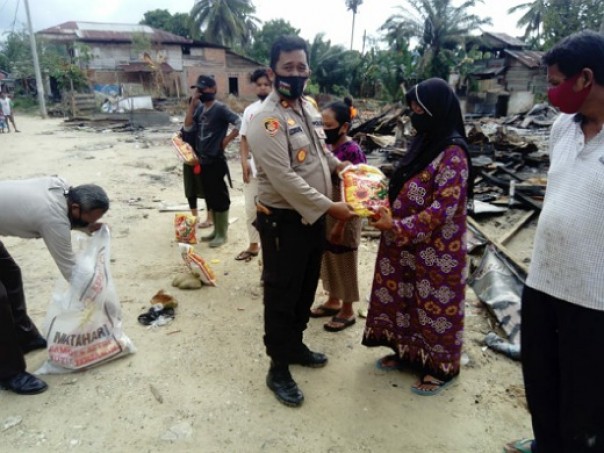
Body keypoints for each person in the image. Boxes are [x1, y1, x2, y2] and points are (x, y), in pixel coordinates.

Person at [505, 30, 604, 453]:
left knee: (585, 404)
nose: (549, 93)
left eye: (554, 81)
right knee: (541, 384)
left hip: (594, 299)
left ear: (585, 78)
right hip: (542, 283)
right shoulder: (563, 128)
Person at [247, 35, 356, 407]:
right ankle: (277, 367)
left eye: (301, 67)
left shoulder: (308, 107)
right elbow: (284, 179)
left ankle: (294, 346)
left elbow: (321, 150)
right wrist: (331, 207)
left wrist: (340, 166)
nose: (296, 73)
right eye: (288, 67)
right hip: (283, 223)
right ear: (273, 70)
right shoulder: (267, 119)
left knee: (306, 288)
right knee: (281, 293)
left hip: (312, 221)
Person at [362, 78, 471, 396]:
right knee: (405, 301)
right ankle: (407, 353)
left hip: (437, 250)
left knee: (434, 308)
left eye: (419, 109)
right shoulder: (424, 142)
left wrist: (397, 227)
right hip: (404, 246)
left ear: (437, 111)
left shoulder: (453, 153)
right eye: (411, 109)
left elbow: (443, 209)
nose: (414, 115)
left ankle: (440, 368)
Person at [0, 176, 109, 395]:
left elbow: (69, 218)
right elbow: (70, 270)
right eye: (88, 219)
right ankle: (10, 373)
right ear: (76, 208)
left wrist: (88, 229)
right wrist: (97, 300)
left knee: (11, 274)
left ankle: (24, 336)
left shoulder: (62, 188)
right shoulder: (53, 218)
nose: (89, 223)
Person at [309, 101, 367, 331]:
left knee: (344, 262)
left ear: (343, 127)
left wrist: (340, 226)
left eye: (328, 125)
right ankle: (333, 300)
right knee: (328, 258)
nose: (323, 130)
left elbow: (359, 193)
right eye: (321, 125)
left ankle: (347, 309)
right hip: (329, 211)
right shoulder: (326, 146)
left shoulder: (352, 151)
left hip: (346, 216)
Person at [184, 75, 241, 248]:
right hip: (203, 161)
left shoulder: (221, 109)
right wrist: (192, 104)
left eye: (204, 89)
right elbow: (187, 127)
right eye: (198, 90)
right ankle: (216, 231)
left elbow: (240, 122)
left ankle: (222, 234)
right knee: (210, 196)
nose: (200, 92)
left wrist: (226, 140)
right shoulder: (201, 109)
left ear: (213, 89)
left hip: (216, 160)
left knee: (219, 196)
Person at [235, 68, 272, 262]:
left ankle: (269, 257)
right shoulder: (250, 110)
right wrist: (244, 161)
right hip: (254, 170)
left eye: (267, 84)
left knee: (270, 214)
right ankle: (253, 245)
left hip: (274, 174)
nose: (263, 87)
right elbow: (243, 138)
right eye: (259, 84)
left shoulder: (279, 109)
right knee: (251, 208)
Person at [180, 96, 212, 230]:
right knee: (190, 190)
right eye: (193, 105)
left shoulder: (205, 124)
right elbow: (181, 137)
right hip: (189, 162)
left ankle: (210, 218)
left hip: (203, 162)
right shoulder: (187, 123)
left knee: (208, 190)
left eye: (199, 105)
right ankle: (195, 217)